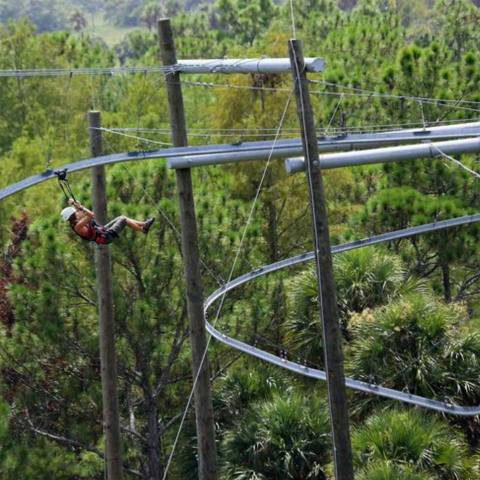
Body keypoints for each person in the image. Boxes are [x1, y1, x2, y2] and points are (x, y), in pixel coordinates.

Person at [61, 198, 154, 245]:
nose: (77, 213)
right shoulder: (78, 226)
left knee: (122, 217)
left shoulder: (76, 220)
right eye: (75, 213)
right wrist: (79, 207)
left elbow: (81, 210)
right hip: (105, 236)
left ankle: (143, 226)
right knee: (123, 220)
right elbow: (91, 215)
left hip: (103, 231)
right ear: (72, 216)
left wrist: (74, 203)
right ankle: (143, 229)